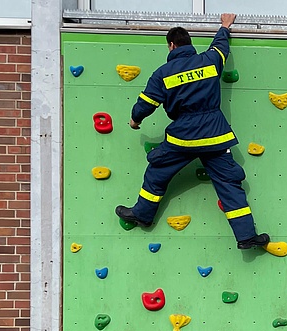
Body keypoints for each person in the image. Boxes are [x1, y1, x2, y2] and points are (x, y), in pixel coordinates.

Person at [115, 13, 270, 250]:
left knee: (156, 173)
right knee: (229, 185)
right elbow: (221, 47)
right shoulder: (209, 60)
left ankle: (142, 215)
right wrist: (224, 26)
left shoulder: (163, 74)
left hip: (183, 137)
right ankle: (247, 236)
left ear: (171, 45)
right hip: (215, 134)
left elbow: (146, 104)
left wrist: (135, 120)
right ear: (189, 44)